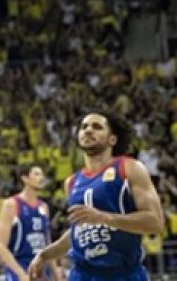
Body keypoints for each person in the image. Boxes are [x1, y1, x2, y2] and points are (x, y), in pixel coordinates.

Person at [28, 112, 165, 281]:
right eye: (84, 127)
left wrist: (103, 218)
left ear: (112, 139)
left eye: (97, 127)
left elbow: (155, 223)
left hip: (124, 273)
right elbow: (79, 231)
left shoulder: (129, 168)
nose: (88, 130)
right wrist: (45, 254)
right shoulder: (71, 182)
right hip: (82, 274)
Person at [0, 165, 60, 281]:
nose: (41, 178)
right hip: (20, 264)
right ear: (25, 178)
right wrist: (21, 275)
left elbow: (48, 244)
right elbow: (0, 246)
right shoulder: (11, 204)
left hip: (41, 268)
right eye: (36, 174)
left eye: (42, 174)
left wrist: (57, 276)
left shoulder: (44, 207)